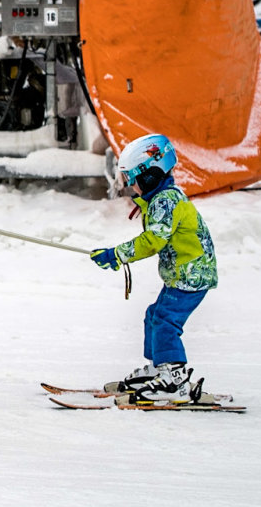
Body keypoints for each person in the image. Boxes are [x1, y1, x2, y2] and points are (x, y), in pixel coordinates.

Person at [90, 133, 218, 401]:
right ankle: (158, 369)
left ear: (148, 176)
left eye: (130, 180)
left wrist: (119, 254)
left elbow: (153, 241)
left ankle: (174, 379)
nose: (129, 187)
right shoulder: (161, 198)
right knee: (154, 315)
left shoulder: (166, 201)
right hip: (182, 274)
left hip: (191, 276)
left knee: (165, 321)